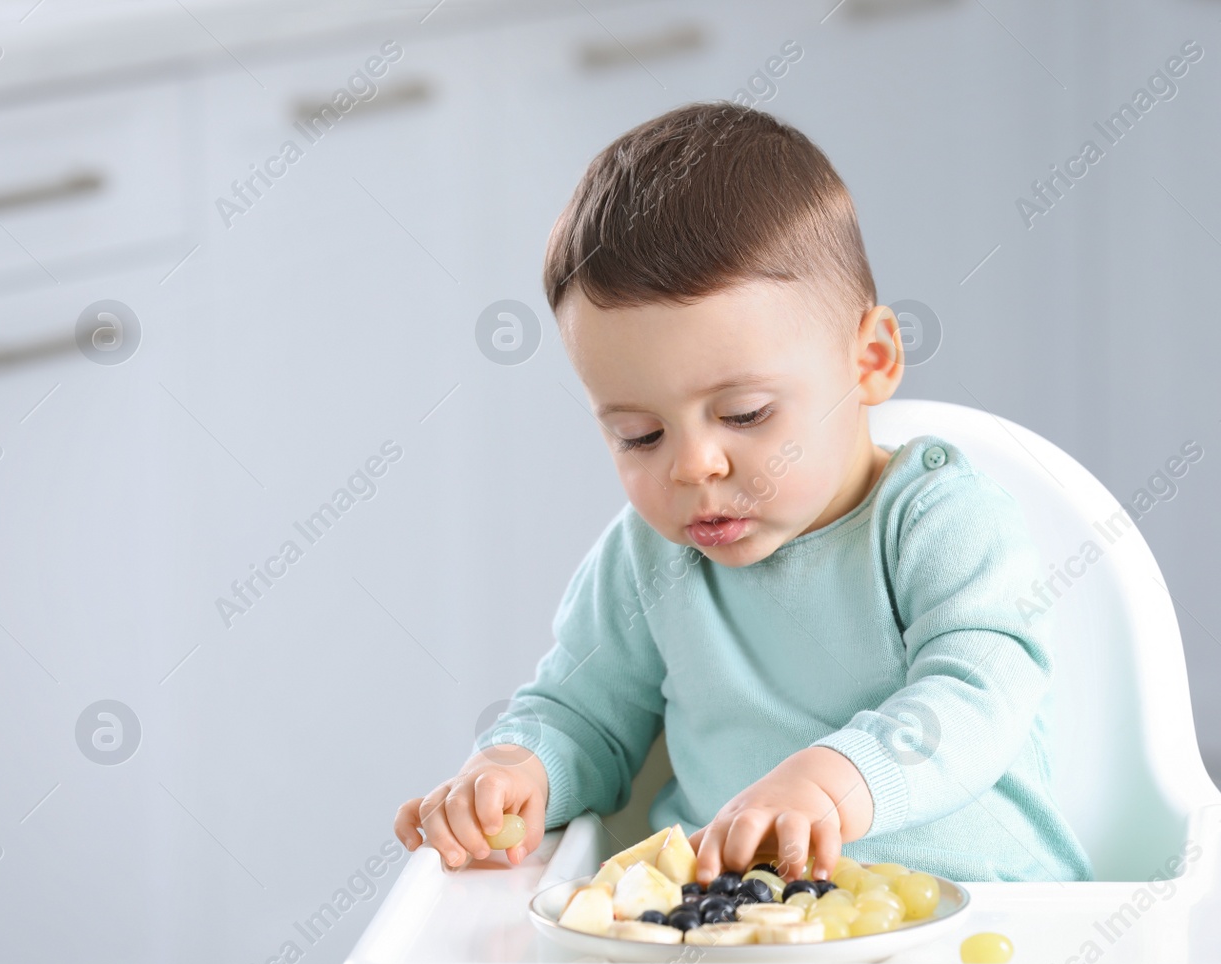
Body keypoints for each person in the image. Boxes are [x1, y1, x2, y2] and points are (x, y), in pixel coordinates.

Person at [395, 100, 1091, 892]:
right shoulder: (646, 556)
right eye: (638, 434)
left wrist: (833, 782)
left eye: (745, 415)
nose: (694, 465)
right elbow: (579, 713)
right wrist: (517, 768)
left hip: (985, 926)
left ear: (869, 360)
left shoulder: (941, 522)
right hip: (733, 931)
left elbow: (980, 692)